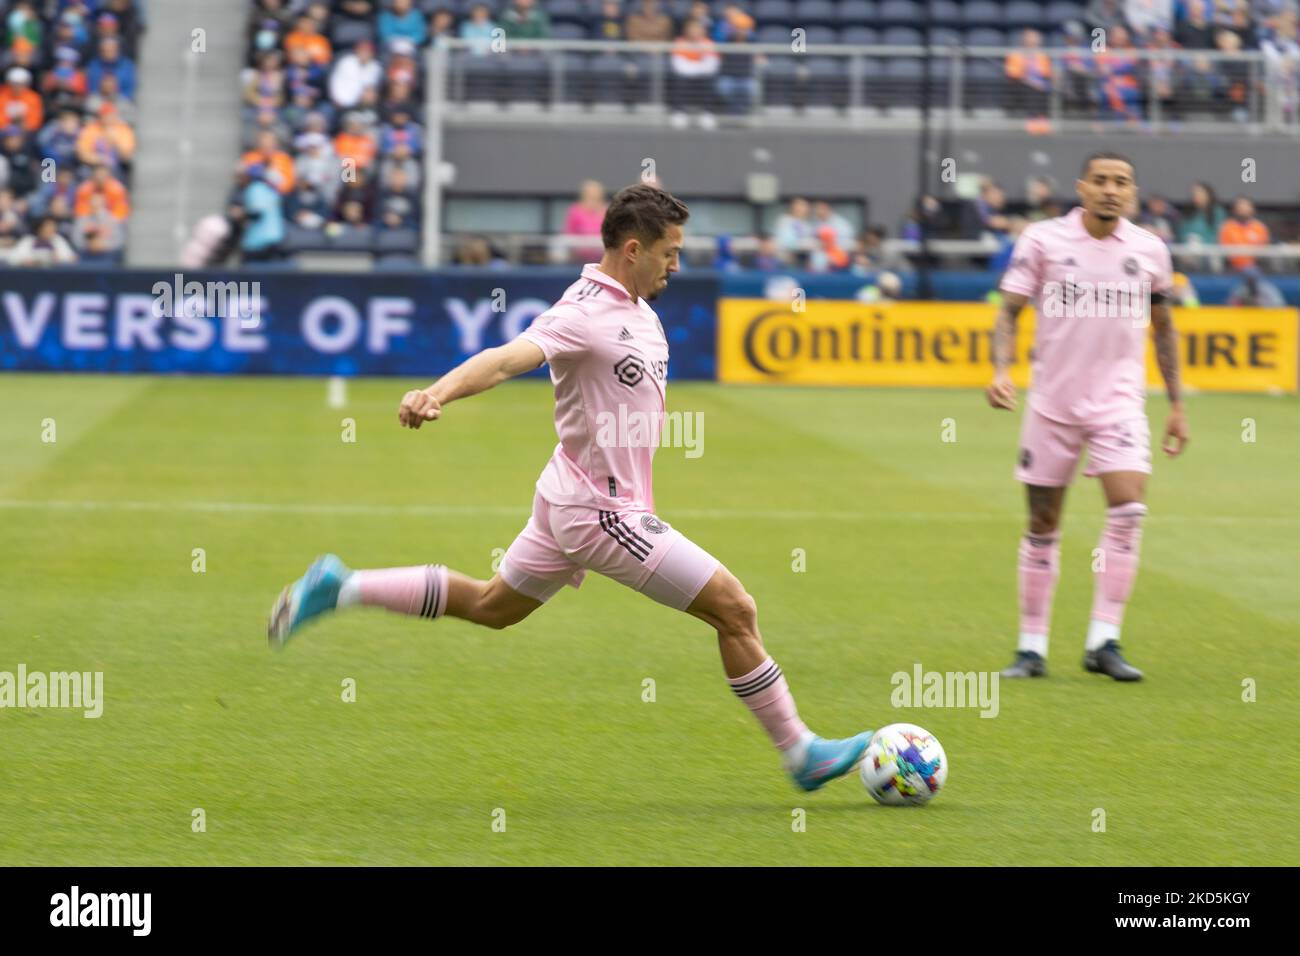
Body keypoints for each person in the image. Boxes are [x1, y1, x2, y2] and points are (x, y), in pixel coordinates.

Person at [267, 184, 876, 792]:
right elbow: (506, 358)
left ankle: (340, 588)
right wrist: (435, 393)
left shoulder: (638, 309)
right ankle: (801, 753)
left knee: (492, 607)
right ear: (632, 249)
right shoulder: (584, 313)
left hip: (569, 493)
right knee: (735, 609)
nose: (677, 264)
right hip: (599, 511)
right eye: (669, 252)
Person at [989, 152, 1188, 682]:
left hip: (1120, 405)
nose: (1110, 190)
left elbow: (1165, 329)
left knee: (1128, 513)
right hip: (1051, 406)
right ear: (1081, 187)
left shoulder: (1149, 250)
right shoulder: (1042, 240)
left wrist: (1177, 405)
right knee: (1042, 524)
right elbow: (1008, 311)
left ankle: (1104, 640)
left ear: (1133, 192)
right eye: (1100, 180)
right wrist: (1001, 370)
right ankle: (1031, 649)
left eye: (1121, 181)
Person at [1218, 196, 1270, 272]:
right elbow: (1226, 251)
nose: (1243, 209)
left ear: (1252, 209)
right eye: (1240, 206)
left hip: (1256, 267)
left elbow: (1263, 250)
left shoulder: (1259, 227)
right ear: (1235, 209)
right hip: (1232, 268)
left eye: (1246, 206)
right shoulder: (1227, 227)